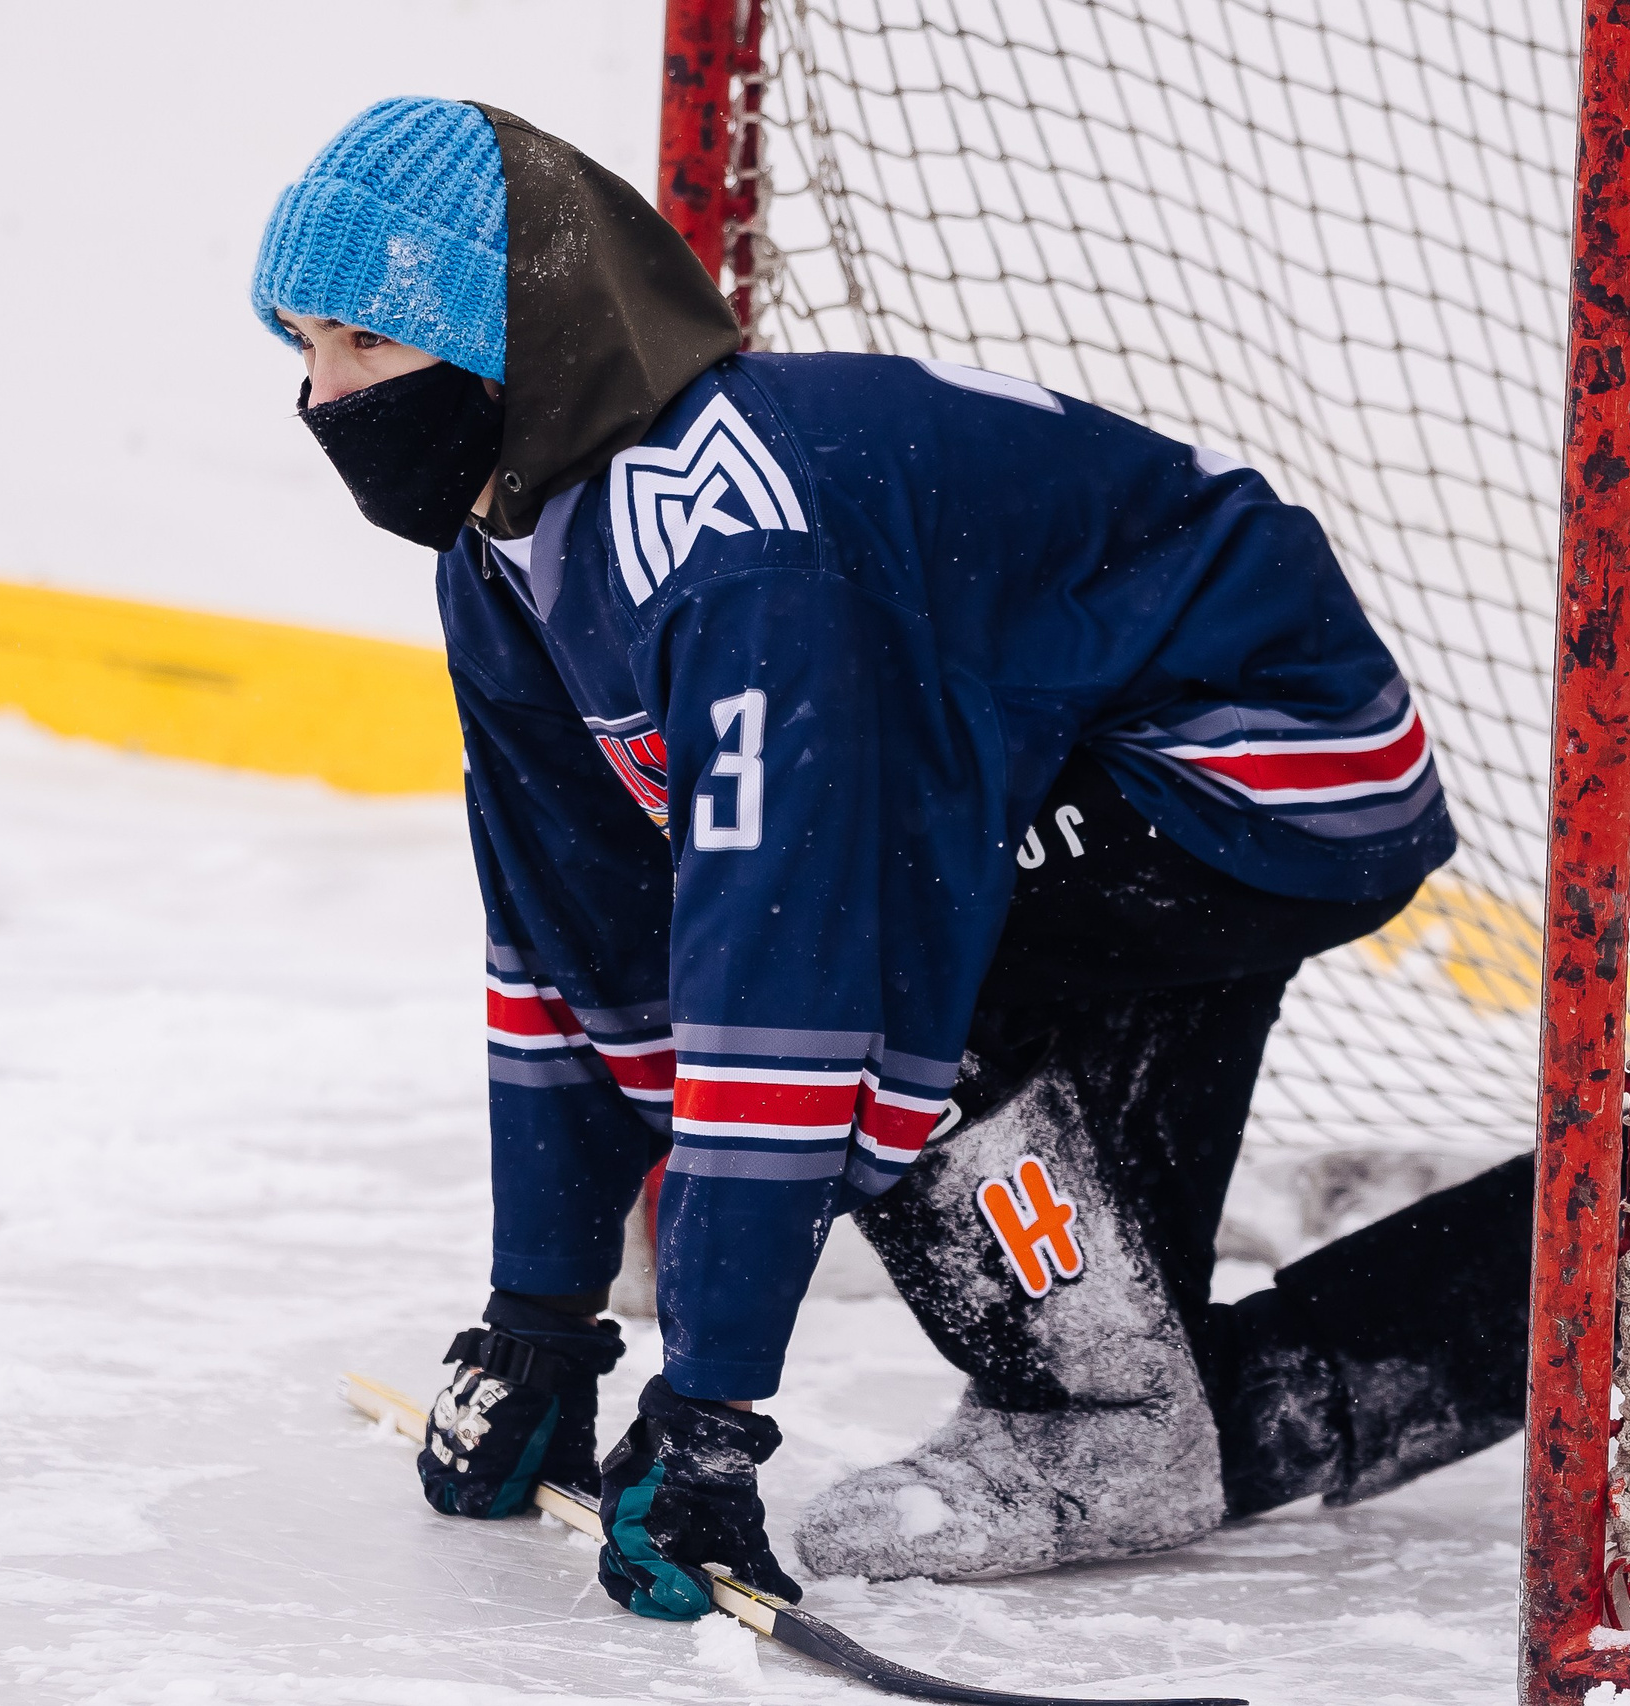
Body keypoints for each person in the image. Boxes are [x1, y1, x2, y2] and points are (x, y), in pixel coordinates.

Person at [250, 96, 1535, 1619]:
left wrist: (712, 1421)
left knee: (890, 999)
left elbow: (791, 989)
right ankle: (1587, 1267)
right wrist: (545, 1317)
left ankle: (1107, 1419)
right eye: (304, 345)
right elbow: (566, 943)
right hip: (1080, 741)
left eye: (366, 346)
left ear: (509, 338)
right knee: (915, 1043)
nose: (324, 398)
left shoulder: (733, 550)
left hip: (1264, 766)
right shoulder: (503, 549)